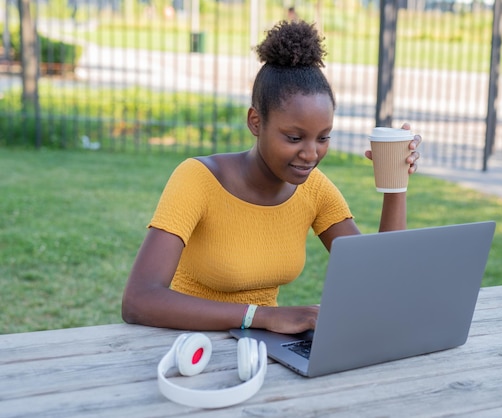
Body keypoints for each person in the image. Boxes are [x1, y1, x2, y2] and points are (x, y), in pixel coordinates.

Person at [121, 20, 421, 335]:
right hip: (189, 344)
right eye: (294, 138)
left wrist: (396, 182)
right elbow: (139, 300)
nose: (311, 154)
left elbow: (381, 278)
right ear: (255, 121)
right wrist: (260, 316)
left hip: (261, 347)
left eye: (323, 138)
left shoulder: (315, 190)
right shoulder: (198, 179)